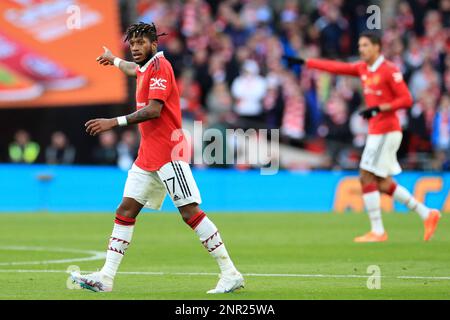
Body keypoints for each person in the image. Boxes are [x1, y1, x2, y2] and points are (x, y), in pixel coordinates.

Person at [71, 22, 244, 293]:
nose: (136, 48)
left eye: (141, 43)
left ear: (155, 44)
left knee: (190, 213)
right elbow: (132, 69)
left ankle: (230, 272)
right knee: (125, 210)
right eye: (132, 44)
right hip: (147, 156)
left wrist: (113, 122)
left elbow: (153, 110)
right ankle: (106, 276)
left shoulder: (161, 67)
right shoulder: (144, 68)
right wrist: (114, 59)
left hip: (169, 153)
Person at [284, 31, 441, 242]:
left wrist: (380, 108)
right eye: (360, 46)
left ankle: (378, 231)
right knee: (382, 182)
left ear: (377, 47)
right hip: (377, 131)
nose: (361, 49)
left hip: (387, 130)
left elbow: (406, 99)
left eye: (365, 45)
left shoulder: (389, 70)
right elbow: (337, 67)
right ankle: (426, 213)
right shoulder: (362, 68)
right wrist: (307, 62)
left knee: (365, 175)